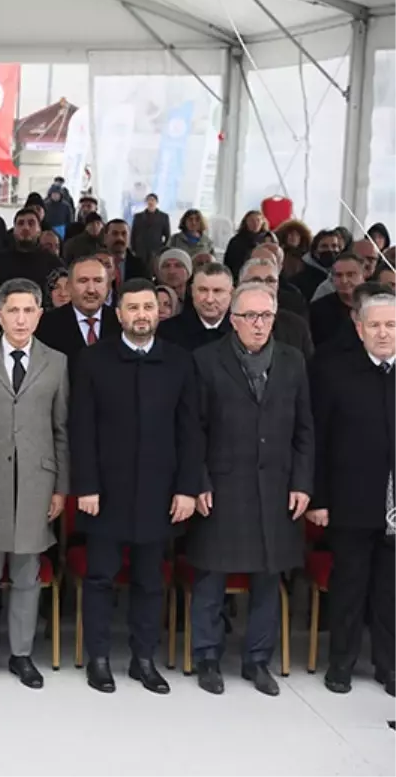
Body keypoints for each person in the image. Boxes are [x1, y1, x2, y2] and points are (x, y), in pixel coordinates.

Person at [69, 278, 202, 694]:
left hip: (160, 492)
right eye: (133, 308)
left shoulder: (179, 361)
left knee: (150, 579)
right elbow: (81, 429)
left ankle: (144, 659)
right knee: (100, 578)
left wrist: (186, 488)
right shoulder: (93, 360)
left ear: (159, 312)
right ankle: (100, 658)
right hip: (105, 492)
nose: (142, 315)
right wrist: (86, 485)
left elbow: (190, 431)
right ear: (119, 313)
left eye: (149, 307)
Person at [185, 282, 313, 697]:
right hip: (221, 484)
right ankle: (206, 655)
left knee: (267, 575)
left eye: (266, 316)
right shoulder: (205, 360)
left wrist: (302, 482)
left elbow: (305, 430)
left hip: (276, 485)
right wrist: (198, 480)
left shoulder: (293, 361)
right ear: (233, 320)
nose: (260, 325)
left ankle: (258, 659)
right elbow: (192, 429)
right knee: (211, 574)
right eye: (251, 317)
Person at [0, 278, 68, 691]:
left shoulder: (57, 362)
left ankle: (21, 654)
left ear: (40, 315)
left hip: (39, 480)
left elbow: (61, 429)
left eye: (29, 311)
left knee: (27, 571)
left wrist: (61, 486)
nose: (21, 318)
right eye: (13, 310)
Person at [311, 292, 396, 696]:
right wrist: (319, 499)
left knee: (390, 589)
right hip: (349, 501)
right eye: (375, 325)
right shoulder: (333, 372)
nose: (383, 332)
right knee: (348, 586)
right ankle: (340, 664)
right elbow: (319, 441)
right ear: (359, 329)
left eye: (391, 325)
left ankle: (389, 665)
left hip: (394, 504)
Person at [35, 255, 121, 357]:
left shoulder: (121, 322)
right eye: (83, 281)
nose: (91, 290)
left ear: (107, 286)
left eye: (98, 281)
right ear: (69, 286)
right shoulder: (46, 325)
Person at [158, 263, 233, 351]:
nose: (209, 299)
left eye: (217, 291)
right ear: (192, 291)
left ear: (231, 293)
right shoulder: (166, 332)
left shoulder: (242, 331)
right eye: (203, 290)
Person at [0, 208, 64, 295]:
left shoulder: (53, 263)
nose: (25, 227)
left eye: (31, 223)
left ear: (39, 230)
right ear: (13, 230)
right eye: (20, 223)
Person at [309, 252, 364, 346]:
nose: (344, 280)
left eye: (350, 274)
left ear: (362, 276)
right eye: (338, 275)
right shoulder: (317, 310)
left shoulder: (376, 306)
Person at [130, 193, 170, 265]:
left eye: (152, 200)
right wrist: (133, 248)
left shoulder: (163, 217)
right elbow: (133, 233)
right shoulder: (138, 216)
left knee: (154, 269)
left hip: (156, 249)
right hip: (140, 249)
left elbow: (167, 235)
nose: (150, 202)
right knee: (140, 268)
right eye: (148, 200)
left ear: (156, 202)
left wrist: (162, 248)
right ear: (146, 202)